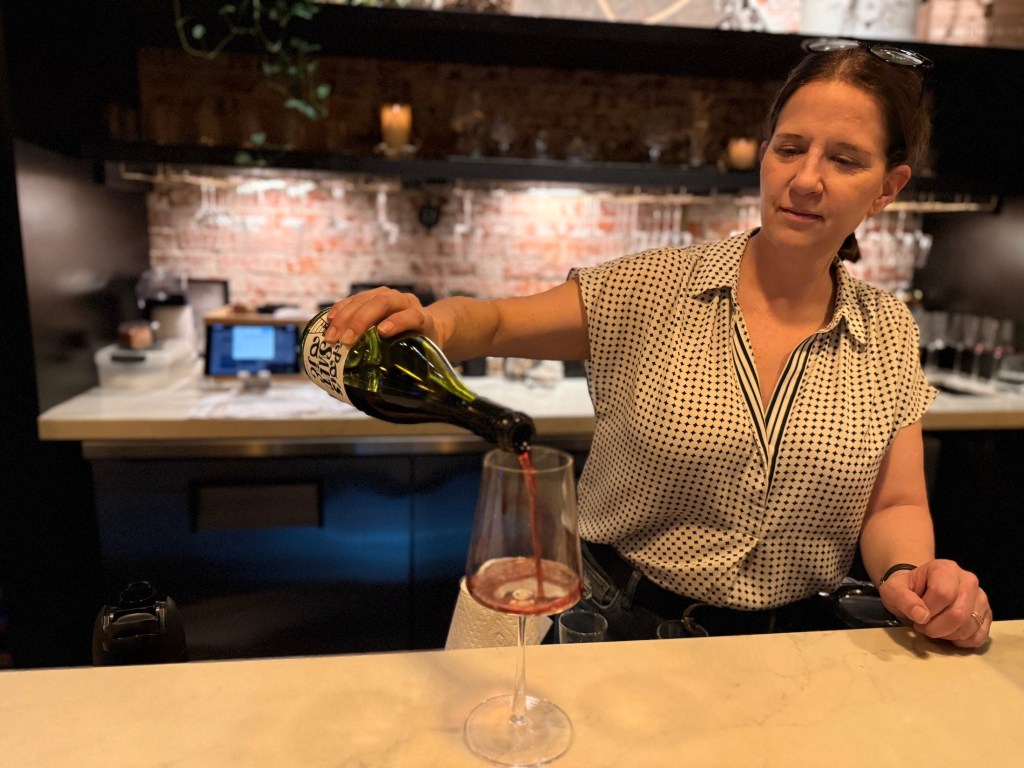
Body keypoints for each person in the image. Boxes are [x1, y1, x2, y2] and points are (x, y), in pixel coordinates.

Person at [322, 40, 991, 649]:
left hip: (788, 650)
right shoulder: (647, 290)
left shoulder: (889, 329)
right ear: (764, 155)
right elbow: (493, 322)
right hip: (614, 635)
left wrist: (911, 575)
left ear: (886, 189)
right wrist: (430, 322)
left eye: (844, 160)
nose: (807, 178)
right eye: (790, 148)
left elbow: (896, 504)